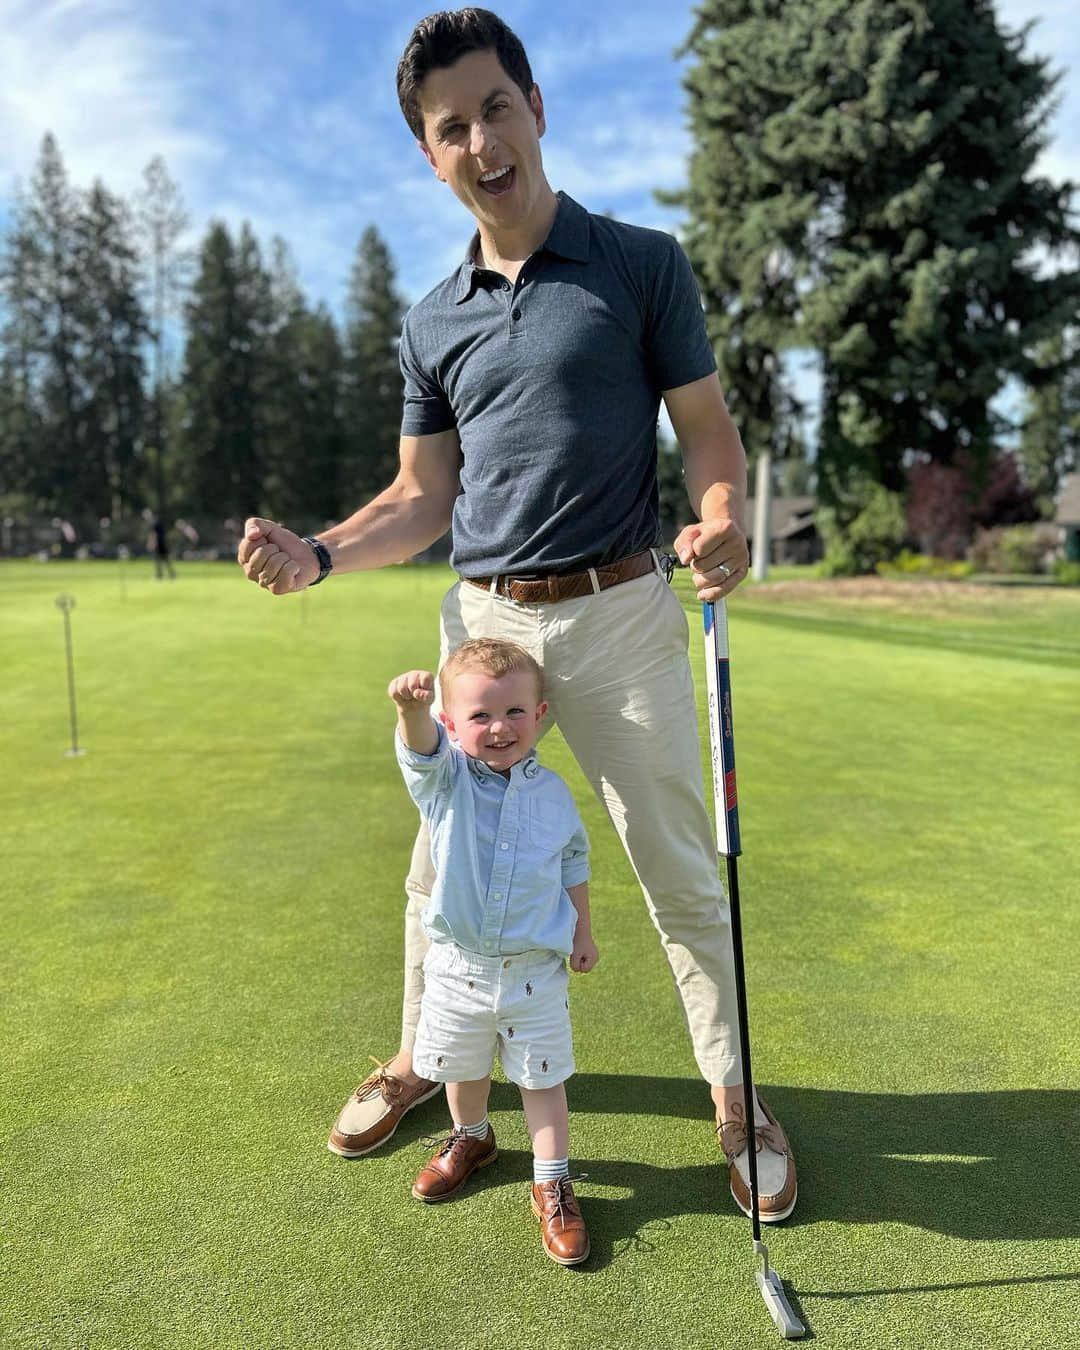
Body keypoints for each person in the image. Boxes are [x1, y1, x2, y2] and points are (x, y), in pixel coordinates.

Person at [237, 6, 797, 1223]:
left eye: (496, 108)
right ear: (428, 156)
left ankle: (733, 1089)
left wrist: (721, 514)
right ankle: (424, 1060)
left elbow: (707, 432)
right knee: (436, 873)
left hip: (621, 609)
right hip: (483, 626)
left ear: (536, 107)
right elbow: (421, 496)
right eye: (452, 128)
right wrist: (322, 553)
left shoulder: (641, 263)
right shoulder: (431, 319)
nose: (482, 141)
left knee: (676, 869)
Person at [390, 637, 596, 1264]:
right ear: (453, 725)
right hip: (455, 968)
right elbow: (420, 752)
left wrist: (582, 930)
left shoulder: (554, 794)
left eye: (513, 713)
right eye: (479, 716)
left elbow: (573, 861)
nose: (498, 728)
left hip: (535, 972)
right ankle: (472, 1138)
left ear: (538, 716)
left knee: (542, 1077)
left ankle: (551, 1178)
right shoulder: (445, 779)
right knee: (462, 1068)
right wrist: (411, 710)